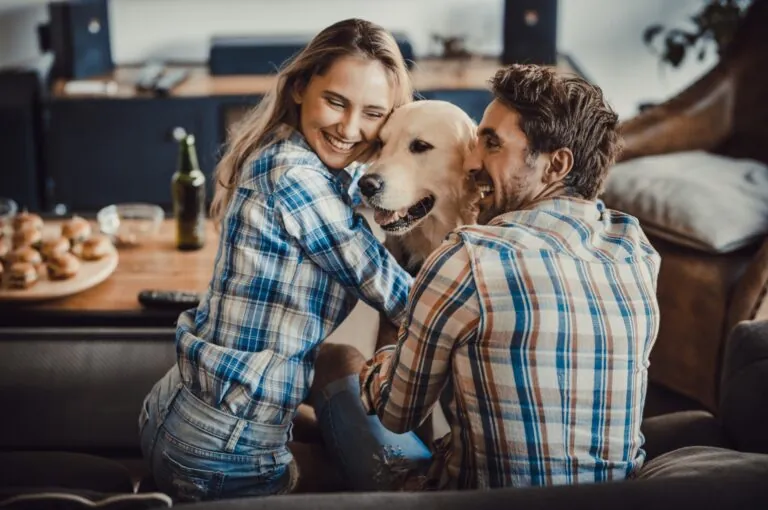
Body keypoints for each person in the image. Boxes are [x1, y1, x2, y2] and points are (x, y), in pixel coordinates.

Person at [310, 63, 662, 491]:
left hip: (478, 499)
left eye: (491, 144)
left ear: (556, 165)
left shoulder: (468, 258)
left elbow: (395, 413)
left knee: (336, 359)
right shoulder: (636, 250)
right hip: (615, 499)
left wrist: (405, 344)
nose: (472, 161)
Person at [138, 18, 431, 502]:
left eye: (372, 113)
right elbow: (398, 296)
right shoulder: (295, 176)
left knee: (338, 364)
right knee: (397, 491)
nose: (349, 128)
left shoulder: (289, 153)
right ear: (299, 87)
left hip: (175, 410)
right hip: (219, 453)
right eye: (335, 102)